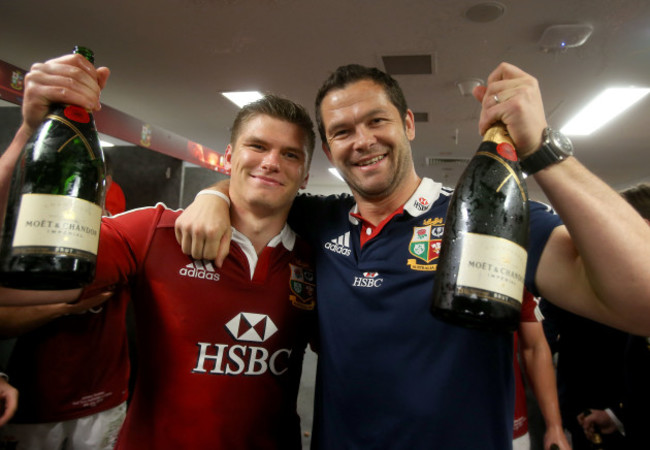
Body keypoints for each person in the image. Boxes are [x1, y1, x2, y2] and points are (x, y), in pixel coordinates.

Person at [175, 61, 650, 449]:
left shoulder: (483, 214)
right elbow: (258, 186)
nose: (361, 140)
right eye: (342, 132)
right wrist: (212, 196)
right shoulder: (320, 221)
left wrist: (543, 149)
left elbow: (642, 301)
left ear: (407, 124)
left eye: (376, 121)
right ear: (328, 149)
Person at [0, 52, 317, 449]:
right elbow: (14, 282)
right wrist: (29, 132)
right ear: (230, 157)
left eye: (290, 154)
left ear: (305, 175)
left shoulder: (316, 259)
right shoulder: (152, 231)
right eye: (258, 146)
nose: (272, 162)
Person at [514, 291, 569, 450]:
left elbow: (535, 348)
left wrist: (554, 426)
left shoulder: (512, 273)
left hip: (509, 425)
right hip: (442, 419)